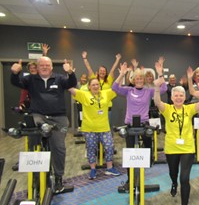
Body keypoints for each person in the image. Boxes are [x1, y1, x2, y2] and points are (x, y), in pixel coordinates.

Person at [153, 62, 199, 205]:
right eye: (176, 96)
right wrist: (157, 88)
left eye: (181, 95)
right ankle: (173, 183)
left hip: (188, 148)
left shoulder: (189, 109)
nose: (179, 97)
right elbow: (157, 102)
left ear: (184, 97)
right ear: (172, 98)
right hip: (171, 148)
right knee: (174, 174)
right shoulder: (166, 109)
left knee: (184, 178)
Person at [11, 56, 77, 193]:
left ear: (52, 67)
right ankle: (35, 176)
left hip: (58, 117)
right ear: (38, 67)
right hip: (38, 115)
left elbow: (71, 83)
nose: (44, 67)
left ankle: (58, 178)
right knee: (33, 142)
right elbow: (16, 82)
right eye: (42, 65)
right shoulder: (30, 79)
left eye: (47, 65)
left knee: (59, 147)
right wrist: (14, 73)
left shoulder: (59, 78)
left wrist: (70, 72)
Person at [112, 57, 167, 188]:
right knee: (130, 154)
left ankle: (146, 166)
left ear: (144, 80)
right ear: (133, 80)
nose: (139, 80)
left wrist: (160, 73)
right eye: (137, 79)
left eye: (141, 79)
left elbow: (163, 88)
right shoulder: (129, 91)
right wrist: (121, 74)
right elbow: (114, 87)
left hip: (144, 124)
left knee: (148, 148)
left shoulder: (148, 91)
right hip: (130, 125)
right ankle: (130, 179)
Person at [68, 78, 120, 179]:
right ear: (89, 87)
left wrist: (122, 74)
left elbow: (116, 86)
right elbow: (70, 89)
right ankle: (93, 169)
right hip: (89, 129)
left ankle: (109, 168)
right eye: (93, 85)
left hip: (104, 128)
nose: (96, 86)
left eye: (97, 85)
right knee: (91, 148)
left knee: (109, 147)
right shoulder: (84, 94)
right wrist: (69, 75)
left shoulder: (106, 93)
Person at [82, 51, 121, 126]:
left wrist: (117, 59)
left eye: (104, 71)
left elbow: (112, 69)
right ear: (98, 72)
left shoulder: (108, 80)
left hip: (107, 107)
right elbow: (89, 68)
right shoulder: (94, 79)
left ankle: (109, 137)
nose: (102, 72)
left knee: (108, 126)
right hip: (95, 107)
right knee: (96, 126)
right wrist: (84, 58)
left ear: (106, 73)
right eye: (101, 71)